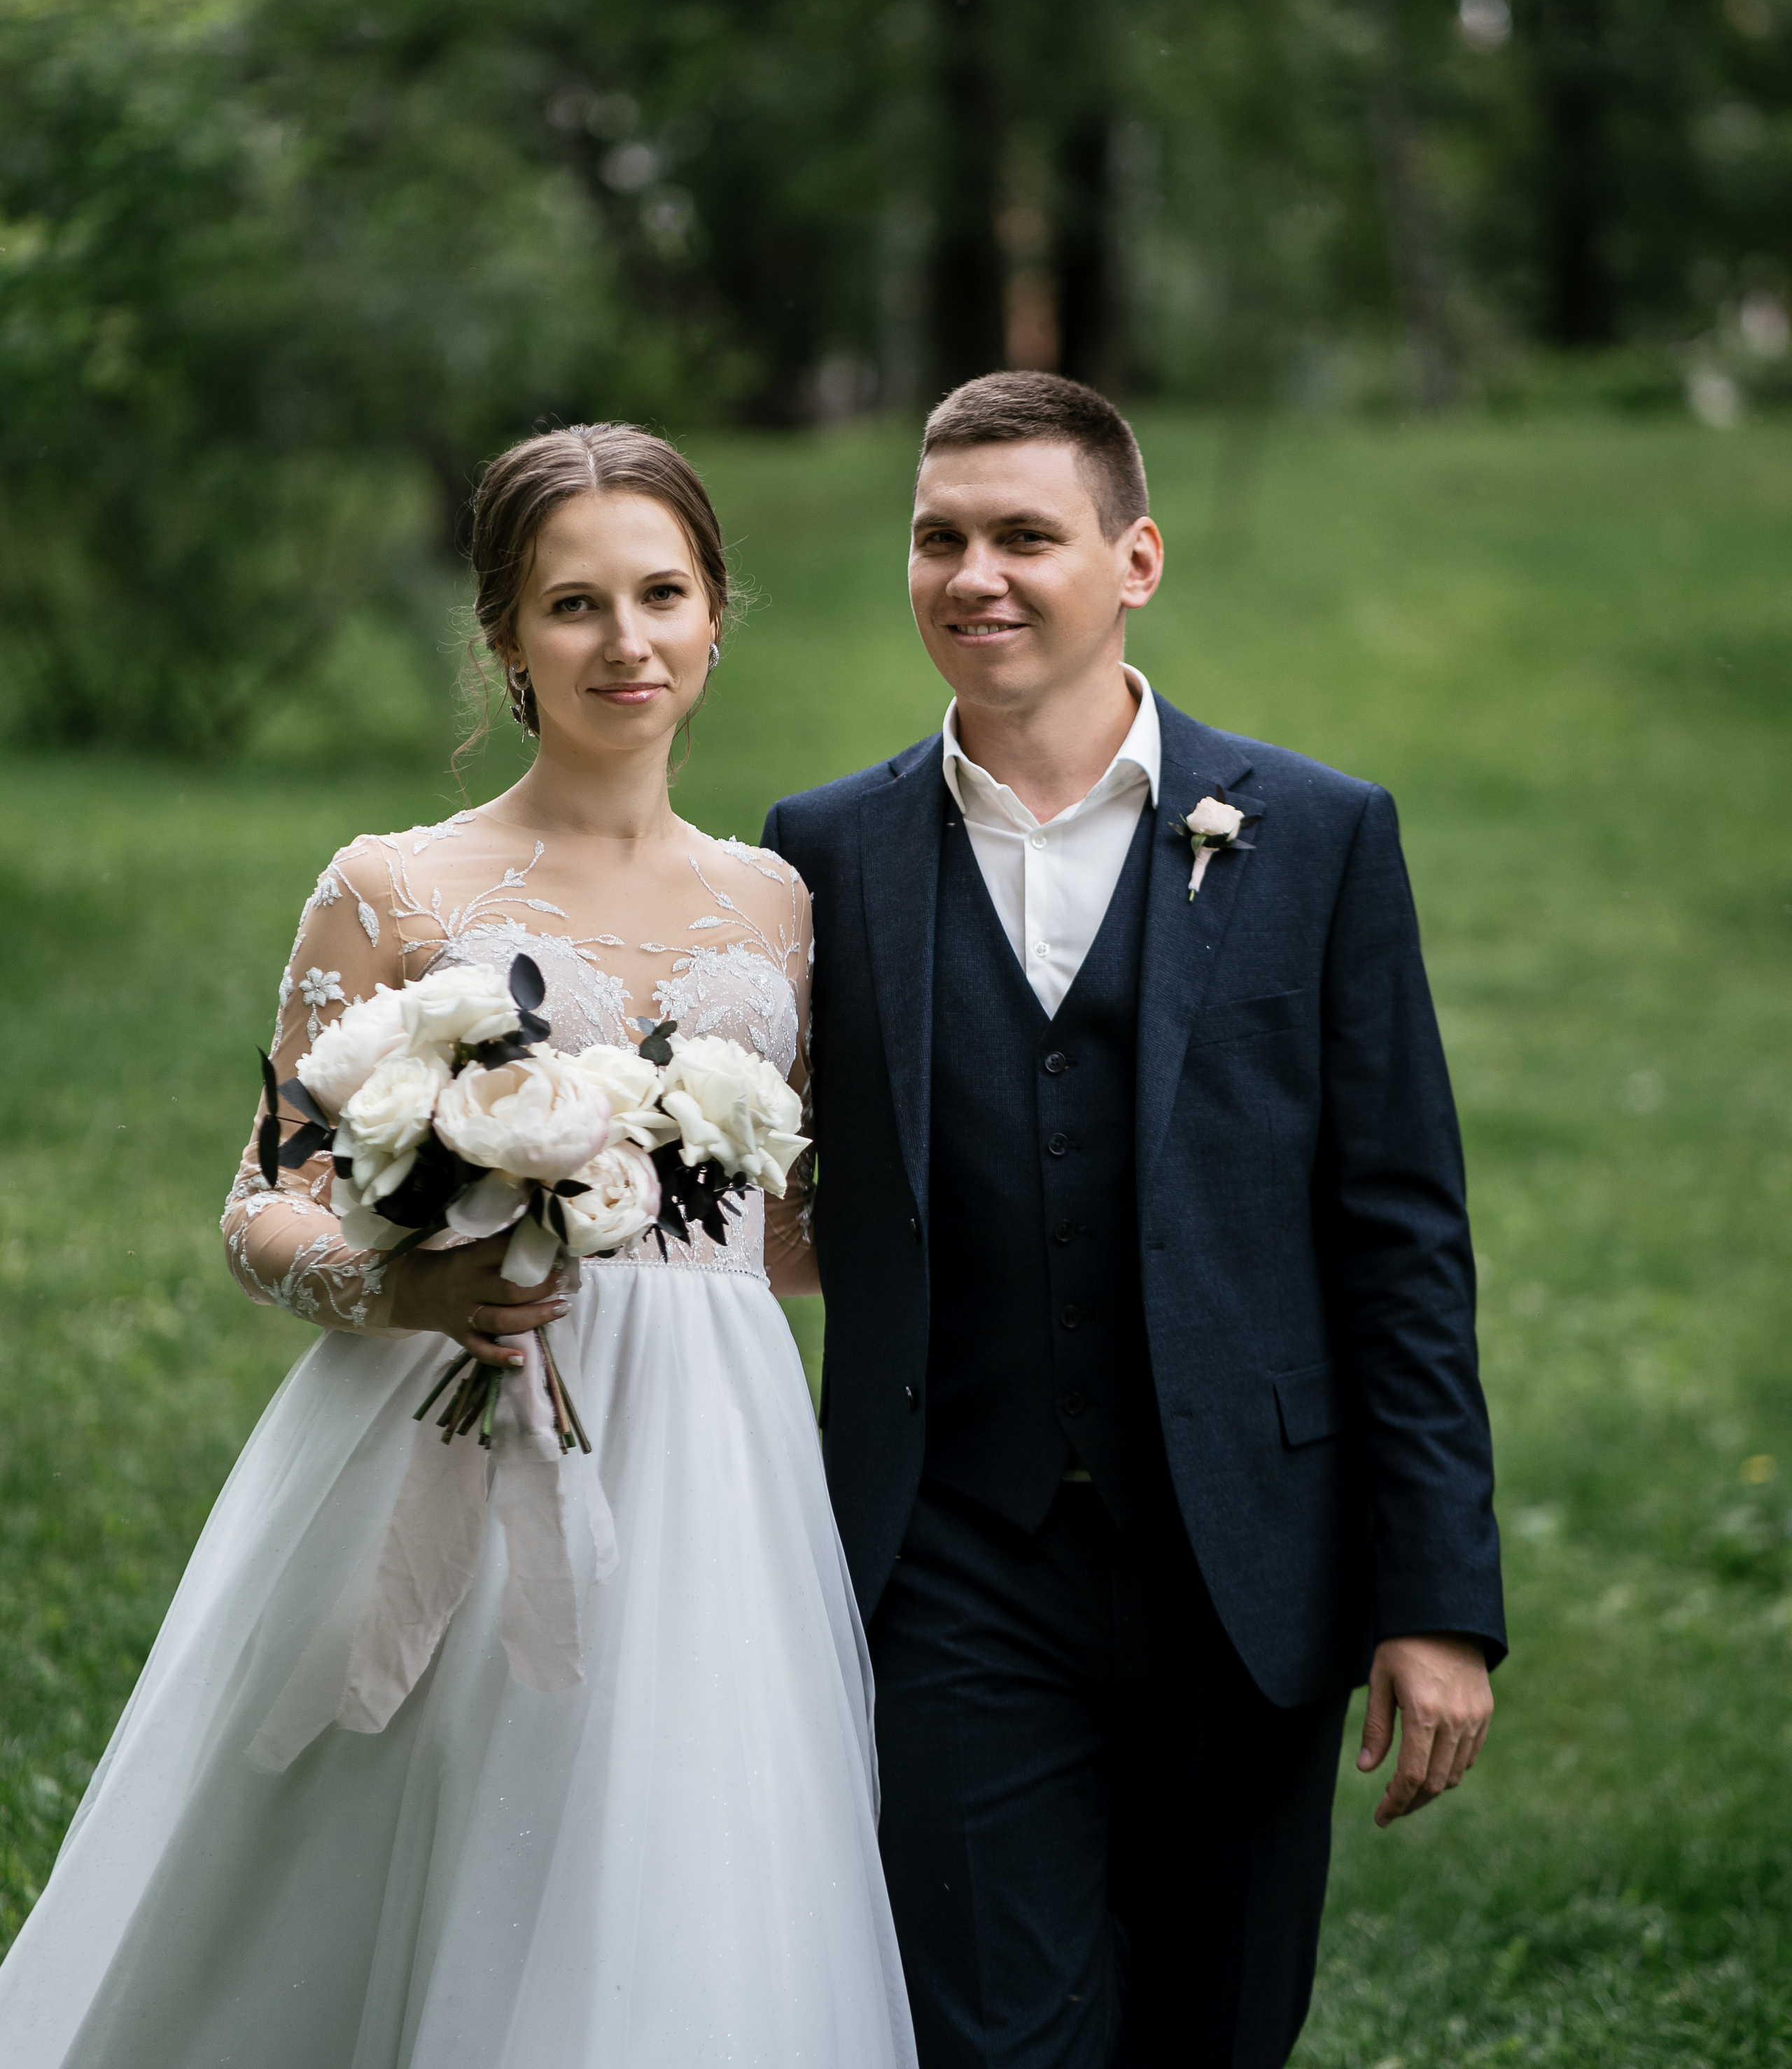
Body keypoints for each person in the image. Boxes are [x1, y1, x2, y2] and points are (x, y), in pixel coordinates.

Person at [0, 424, 916, 2069]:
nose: (623, 643)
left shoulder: (778, 900)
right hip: (453, 1405)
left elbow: (784, 1233)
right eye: (573, 605)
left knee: (684, 1848)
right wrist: (401, 1281)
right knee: (409, 1834)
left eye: (661, 594)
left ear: (717, 615)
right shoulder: (393, 887)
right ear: (503, 634)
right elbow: (259, 1203)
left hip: (715, 1457)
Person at [762, 372, 1505, 2069]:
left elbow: (1399, 1237)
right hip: (950, 1551)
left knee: (1217, 2025)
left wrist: (1436, 1593)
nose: (975, 577)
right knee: (993, 2039)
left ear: (1135, 559)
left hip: (1249, 1556)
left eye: (1025, 535)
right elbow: (739, 1187)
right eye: (937, 540)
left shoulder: (1316, 836)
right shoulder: (821, 856)